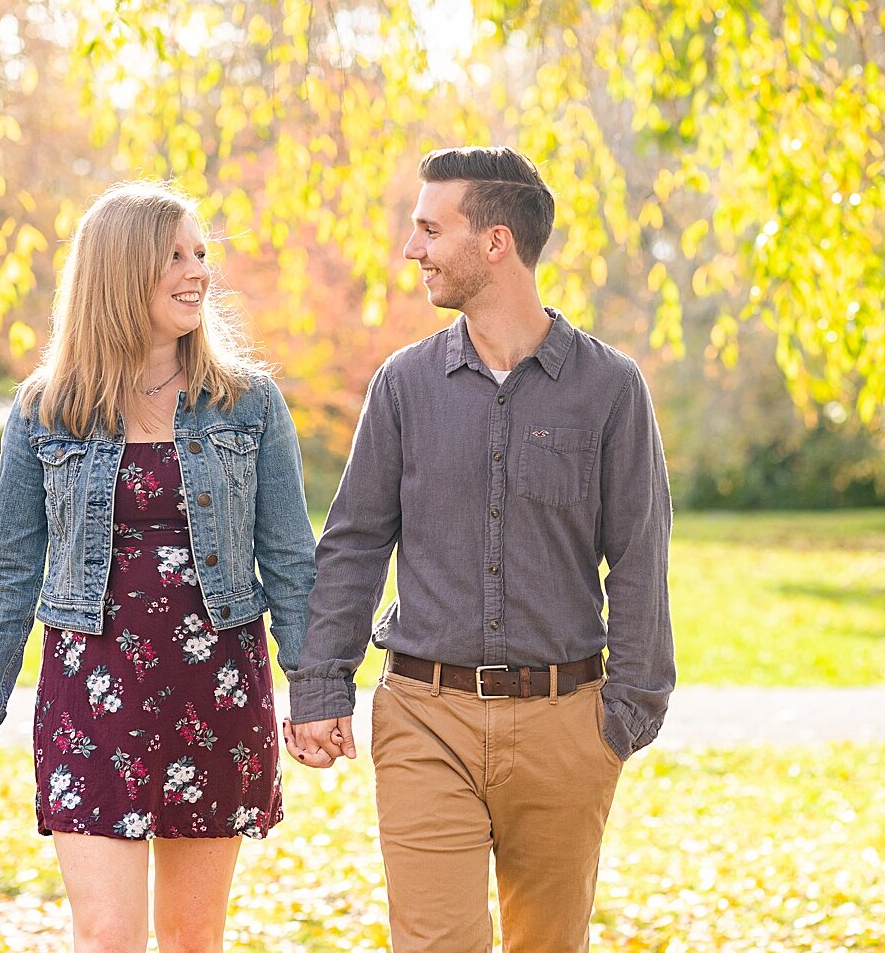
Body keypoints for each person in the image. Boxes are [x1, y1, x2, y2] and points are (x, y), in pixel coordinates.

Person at [286, 146, 676, 952]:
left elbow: (639, 555)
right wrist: (322, 682)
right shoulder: (404, 385)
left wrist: (626, 712)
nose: (412, 249)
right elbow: (355, 541)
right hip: (426, 718)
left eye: (431, 229)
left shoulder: (610, 388)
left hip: (568, 724)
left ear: (495, 241)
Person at [0, 181, 316, 953]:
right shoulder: (47, 409)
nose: (199, 272)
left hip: (215, 688)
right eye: (174, 257)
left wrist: (315, 690)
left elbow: (289, 560)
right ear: (120, 273)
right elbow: (9, 573)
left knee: (191, 939)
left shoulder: (247, 403)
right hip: (91, 692)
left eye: (201, 254)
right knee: (109, 937)